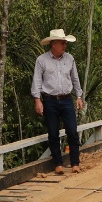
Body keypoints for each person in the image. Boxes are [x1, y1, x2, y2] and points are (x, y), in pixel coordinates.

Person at [32, 29, 85, 175]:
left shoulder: (70, 59)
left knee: (72, 132)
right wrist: (37, 100)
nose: (65, 45)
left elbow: (75, 78)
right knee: (53, 133)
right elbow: (37, 81)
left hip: (67, 99)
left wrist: (79, 96)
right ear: (53, 44)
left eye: (65, 43)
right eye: (62, 43)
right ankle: (58, 164)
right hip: (50, 100)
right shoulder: (41, 60)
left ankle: (75, 163)